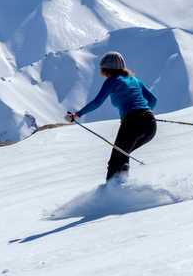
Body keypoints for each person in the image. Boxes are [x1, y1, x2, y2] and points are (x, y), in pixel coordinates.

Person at [66, 51, 158, 182]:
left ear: (106, 69)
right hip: (150, 125)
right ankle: (123, 186)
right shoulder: (135, 80)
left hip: (132, 122)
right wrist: (146, 113)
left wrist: (77, 114)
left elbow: (97, 102)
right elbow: (153, 100)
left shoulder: (112, 81)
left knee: (116, 159)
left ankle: (112, 189)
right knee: (122, 155)